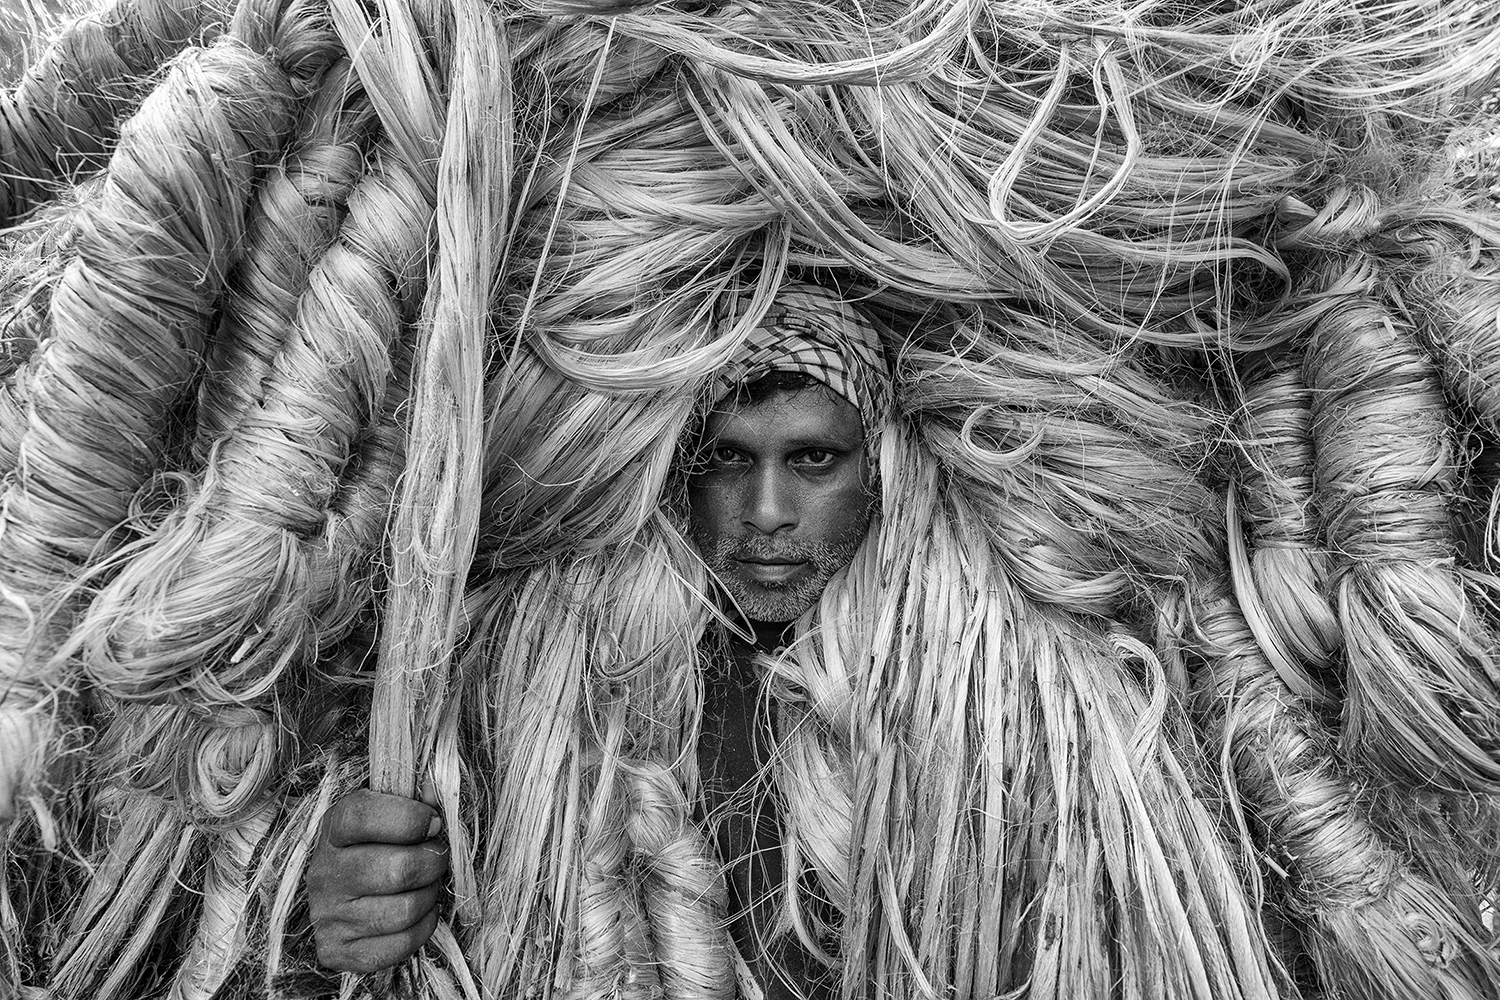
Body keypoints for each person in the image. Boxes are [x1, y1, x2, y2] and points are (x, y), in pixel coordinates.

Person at [306, 285, 890, 995]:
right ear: (678, 475)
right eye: (728, 459)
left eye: (813, 459)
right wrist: (346, 909)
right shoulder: (558, 687)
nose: (767, 513)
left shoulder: (944, 695)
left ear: (878, 470)